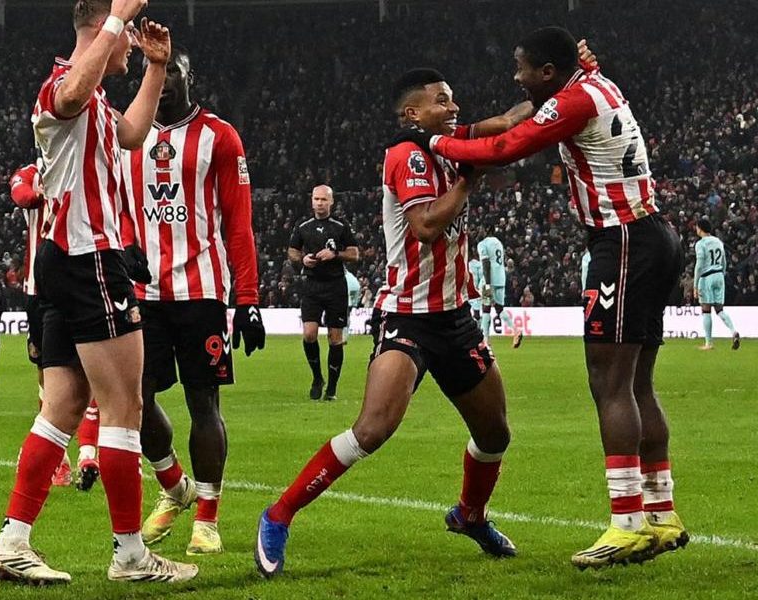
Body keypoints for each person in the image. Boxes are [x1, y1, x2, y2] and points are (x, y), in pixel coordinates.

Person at [407, 27, 688, 567]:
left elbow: (508, 147)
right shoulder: (594, 84)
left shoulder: (575, 100)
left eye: (522, 68)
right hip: (654, 235)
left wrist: (437, 142)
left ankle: (628, 523)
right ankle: (661, 513)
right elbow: (517, 117)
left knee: (609, 384)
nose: (516, 77)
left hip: (622, 239)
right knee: (637, 384)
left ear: (549, 73)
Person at [256, 68, 535, 578]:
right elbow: (426, 226)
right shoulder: (406, 154)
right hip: (407, 315)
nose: (453, 108)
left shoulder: (452, 140)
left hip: (455, 317)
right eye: (441, 101)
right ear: (413, 113)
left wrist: (555, 90)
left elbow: (510, 120)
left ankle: (470, 516)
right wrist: (472, 178)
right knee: (373, 428)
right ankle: (278, 515)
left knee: (495, 433)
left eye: (453, 99)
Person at [0, 0, 197, 584]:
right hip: (89, 259)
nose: (130, 46)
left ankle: (12, 540)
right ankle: (130, 555)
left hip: (60, 261)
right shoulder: (64, 84)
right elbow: (70, 96)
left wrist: (156, 67)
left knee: (60, 406)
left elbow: (132, 136)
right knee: (123, 408)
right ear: (105, 29)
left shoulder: (98, 100)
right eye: (129, 37)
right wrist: (117, 19)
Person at [118, 46, 264, 555]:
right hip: (142, 293)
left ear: (188, 77)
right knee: (134, 399)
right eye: (150, 74)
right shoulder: (125, 137)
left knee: (203, 403)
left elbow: (238, 224)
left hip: (200, 291)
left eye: (171, 73)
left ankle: (207, 517)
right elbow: (111, 208)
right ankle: (174, 485)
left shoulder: (219, 137)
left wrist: (247, 299)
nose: (161, 83)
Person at [11, 163, 103, 492]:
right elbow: (21, 195)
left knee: (88, 370)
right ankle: (60, 459)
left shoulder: (85, 171)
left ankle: (87, 454)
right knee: (46, 377)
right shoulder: (30, 173)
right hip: (38, 292)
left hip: (77, 287)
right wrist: (51, 194)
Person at [288, 185, 358, 401]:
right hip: (312, 285)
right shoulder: (303, 226)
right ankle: (317, 378)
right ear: (312, 201)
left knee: (335, 339)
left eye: (323, 199)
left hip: (336, 286)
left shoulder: (340, 226)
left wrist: (335, 254)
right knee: (309, 334)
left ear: (331, 202)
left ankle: (332, 389)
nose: (319, 203)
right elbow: (292, 251)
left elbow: (354, 254)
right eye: (316, 199)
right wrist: (302, 260)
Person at [693, 218, 739, 350]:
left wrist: (695, 285)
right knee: (719, 309)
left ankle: (709, 343)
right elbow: (724, 261)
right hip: (719, 274)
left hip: (707, 277)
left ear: (700, 228)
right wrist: (721, 274)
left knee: (706, 310)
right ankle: (733, 331)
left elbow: (699, 265)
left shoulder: (701, 244)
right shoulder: (718, 241)